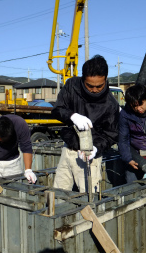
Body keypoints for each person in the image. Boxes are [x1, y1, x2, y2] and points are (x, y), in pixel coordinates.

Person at [51, 54, 119, 193]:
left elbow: (111, 134)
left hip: (90, 155)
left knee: (88, 196)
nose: (94, 90)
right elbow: (57, 110)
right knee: (59, 193)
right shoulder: (72, 86)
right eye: (89, 86)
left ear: (105, 79)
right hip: (69, 149)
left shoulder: (111, 104)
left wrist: (96, 148)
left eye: (99, 86)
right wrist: (72, 116)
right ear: (83, 79)